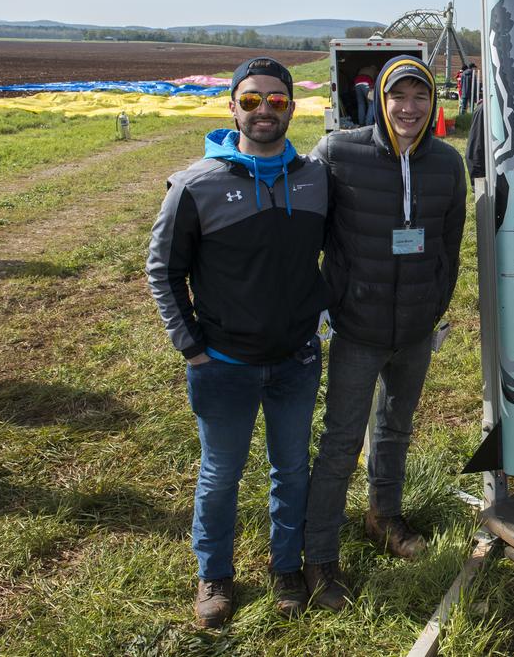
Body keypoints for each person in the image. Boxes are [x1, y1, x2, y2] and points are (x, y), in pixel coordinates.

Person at [146, 57, 329, 627]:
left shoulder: (315, 177)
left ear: (292, 108)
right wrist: (191, 346)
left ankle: (285, 567)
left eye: (276, 100)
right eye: (252, 100)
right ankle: (215, 576)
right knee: (220, 474)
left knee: (291, 469)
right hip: (222, 363)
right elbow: (162, 269)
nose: (265, 110)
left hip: (296, 360)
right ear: (232, 107)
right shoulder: (195, 184)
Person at [302, 55, 467, 610]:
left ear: (434, 104)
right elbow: (311, 235)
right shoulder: (338, 153)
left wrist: (435, 307)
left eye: (421, 97)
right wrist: (329, 302)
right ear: (381, 99)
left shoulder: (447, 164)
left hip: (416, 328)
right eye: (400, 96)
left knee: (395, 428)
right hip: (358, 326)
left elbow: (450, 244)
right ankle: (320, 556)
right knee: (341, 441)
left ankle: (385, 516)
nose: (410, 108)